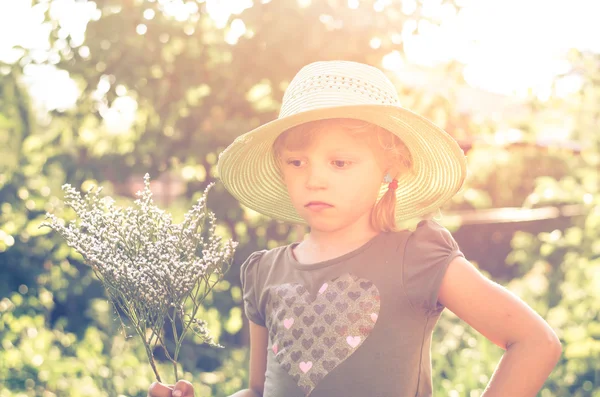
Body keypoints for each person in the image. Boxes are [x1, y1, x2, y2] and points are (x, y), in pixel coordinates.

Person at [148, 60, 562, 397]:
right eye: (297, 162)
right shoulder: (263, 272)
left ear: (390, 167)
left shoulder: (416, 256)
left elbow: (535, 343)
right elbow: (259, 391)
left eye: (340, 162)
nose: (315, 179)